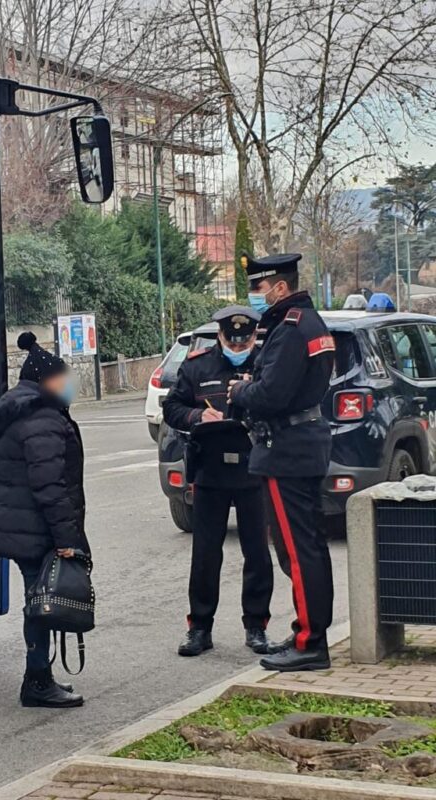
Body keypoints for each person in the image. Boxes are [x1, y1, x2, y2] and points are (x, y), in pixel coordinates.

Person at [228, 253, 335, 672]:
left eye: (258, 287)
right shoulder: (307, 323)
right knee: (306, 547)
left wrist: (240, 392)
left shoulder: (291, 329)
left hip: (287, 448)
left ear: (279, 287)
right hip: (300, 444)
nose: (255, 295)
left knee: (296, 550)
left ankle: (310, 642)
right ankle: (309, 630)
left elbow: (272, 394)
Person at [0, 332, 88, 708]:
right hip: (35, 529)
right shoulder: (42, 419)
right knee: (40, 605)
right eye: (64, 378)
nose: (69, 384)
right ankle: (37, 680)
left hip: (19, 524)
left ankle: (39, 677)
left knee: (37, 600)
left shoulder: (17, 410)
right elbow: (49, 486)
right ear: (48, 381)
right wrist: (67, 538)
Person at [164, 306, 274, 658]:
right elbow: (173, 408)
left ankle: (256, 627)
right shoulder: (198, 366)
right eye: (231, 339)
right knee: (206, 554)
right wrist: (198, 415)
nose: (238, 346)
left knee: (257, 552)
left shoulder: (267, 366)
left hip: (254, 468)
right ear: (221, 336)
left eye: (245, 340)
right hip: (210, 469)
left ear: (255, 337)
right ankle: (199, 627)